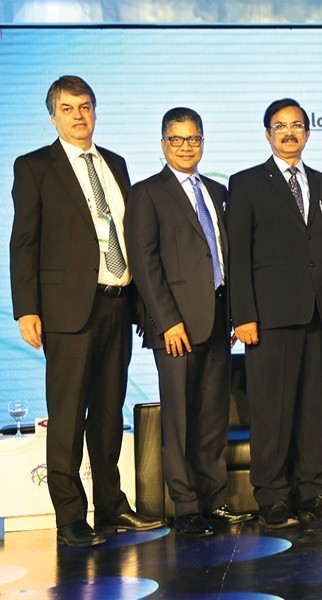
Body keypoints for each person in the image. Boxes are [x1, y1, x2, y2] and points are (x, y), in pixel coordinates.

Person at [10, 75, 165, 547]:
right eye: (68, 108)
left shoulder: (115, 163)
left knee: (107, 415)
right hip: (66, 310)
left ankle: (113, 507)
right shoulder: (35, 166)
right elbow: (24, 242)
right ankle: (70, 517)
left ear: (95, 111)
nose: (79, 115)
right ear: (53, 115)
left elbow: (132, 235)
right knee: (68, 414)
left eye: (86, 106)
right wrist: (26, 309)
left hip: (117, 305)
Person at [126, 107, 252, 535]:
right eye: (177, 140)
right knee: (179, 418)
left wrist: (235, 314)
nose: (186, 147)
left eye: (193, 139)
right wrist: (167, 321)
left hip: (217, 322)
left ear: (203, 142)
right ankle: (185, 507)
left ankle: (213, 499)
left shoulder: (217, 191)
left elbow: (225, 256)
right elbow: (145, 265)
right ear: (163, 144)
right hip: (175, 326)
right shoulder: (147, 193)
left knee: (212, 416)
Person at [227, 98, 322, 528]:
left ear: (308, 133)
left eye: (297, 125)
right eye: (280, 126)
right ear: (267, 134)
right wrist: (242, 314)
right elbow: (237, 256)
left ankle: (311, 492)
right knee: (272, 410)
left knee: (315, 407)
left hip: (319, 313)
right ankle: (273, 497)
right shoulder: (245, 184)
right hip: (269, 317)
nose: (289, 132)